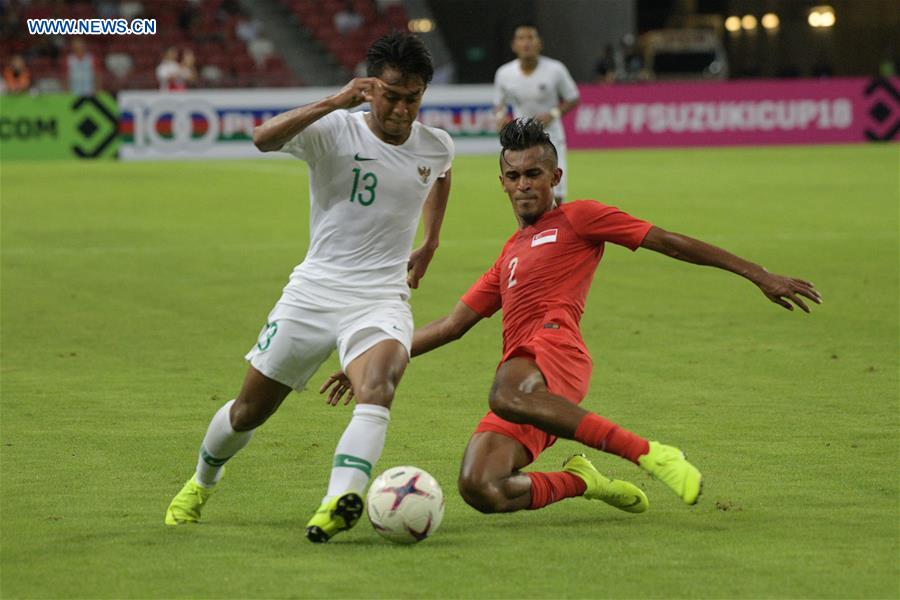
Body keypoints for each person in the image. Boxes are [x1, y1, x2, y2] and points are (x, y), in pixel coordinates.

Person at [323, 119, 821, 516]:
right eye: (514, 176)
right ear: (502, 182)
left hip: (554, 352)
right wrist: (370, 361)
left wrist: (757, 273)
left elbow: (667, 241)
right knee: (481, 488)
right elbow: (451, 325)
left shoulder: (579, 218)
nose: (523, 185)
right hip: (528, 383)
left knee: (503, 392)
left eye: (533, 174)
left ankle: (650, 454)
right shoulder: (508, 255)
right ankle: (583, 480)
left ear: (554, 177)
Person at [164, 32, 454, 544]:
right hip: (315, 291)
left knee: (379, 387)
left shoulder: (435, 144)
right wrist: (333, 101)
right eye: (391, 96)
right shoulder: (335, 130)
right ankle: (202, 482)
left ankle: (336, 501)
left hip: (381, 296)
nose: (402, 110)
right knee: (248, 411)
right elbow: (262, 138)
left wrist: (430, 241)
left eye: (413, 99)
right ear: (370, 88)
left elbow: (441, 176)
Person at [493, 24, 579, 203]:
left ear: (539, 43)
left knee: (556, 189)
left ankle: (556, 229)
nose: (526, 43)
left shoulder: (555, 70)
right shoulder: (504, 73)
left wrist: (553, 113)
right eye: (521, 39)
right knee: (522, 189)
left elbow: (573, 98)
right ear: (514, 45)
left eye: (531, 38)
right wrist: (500, 117)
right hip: (521, 139)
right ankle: (531, 230)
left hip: (551, 136)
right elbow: (499, 104)